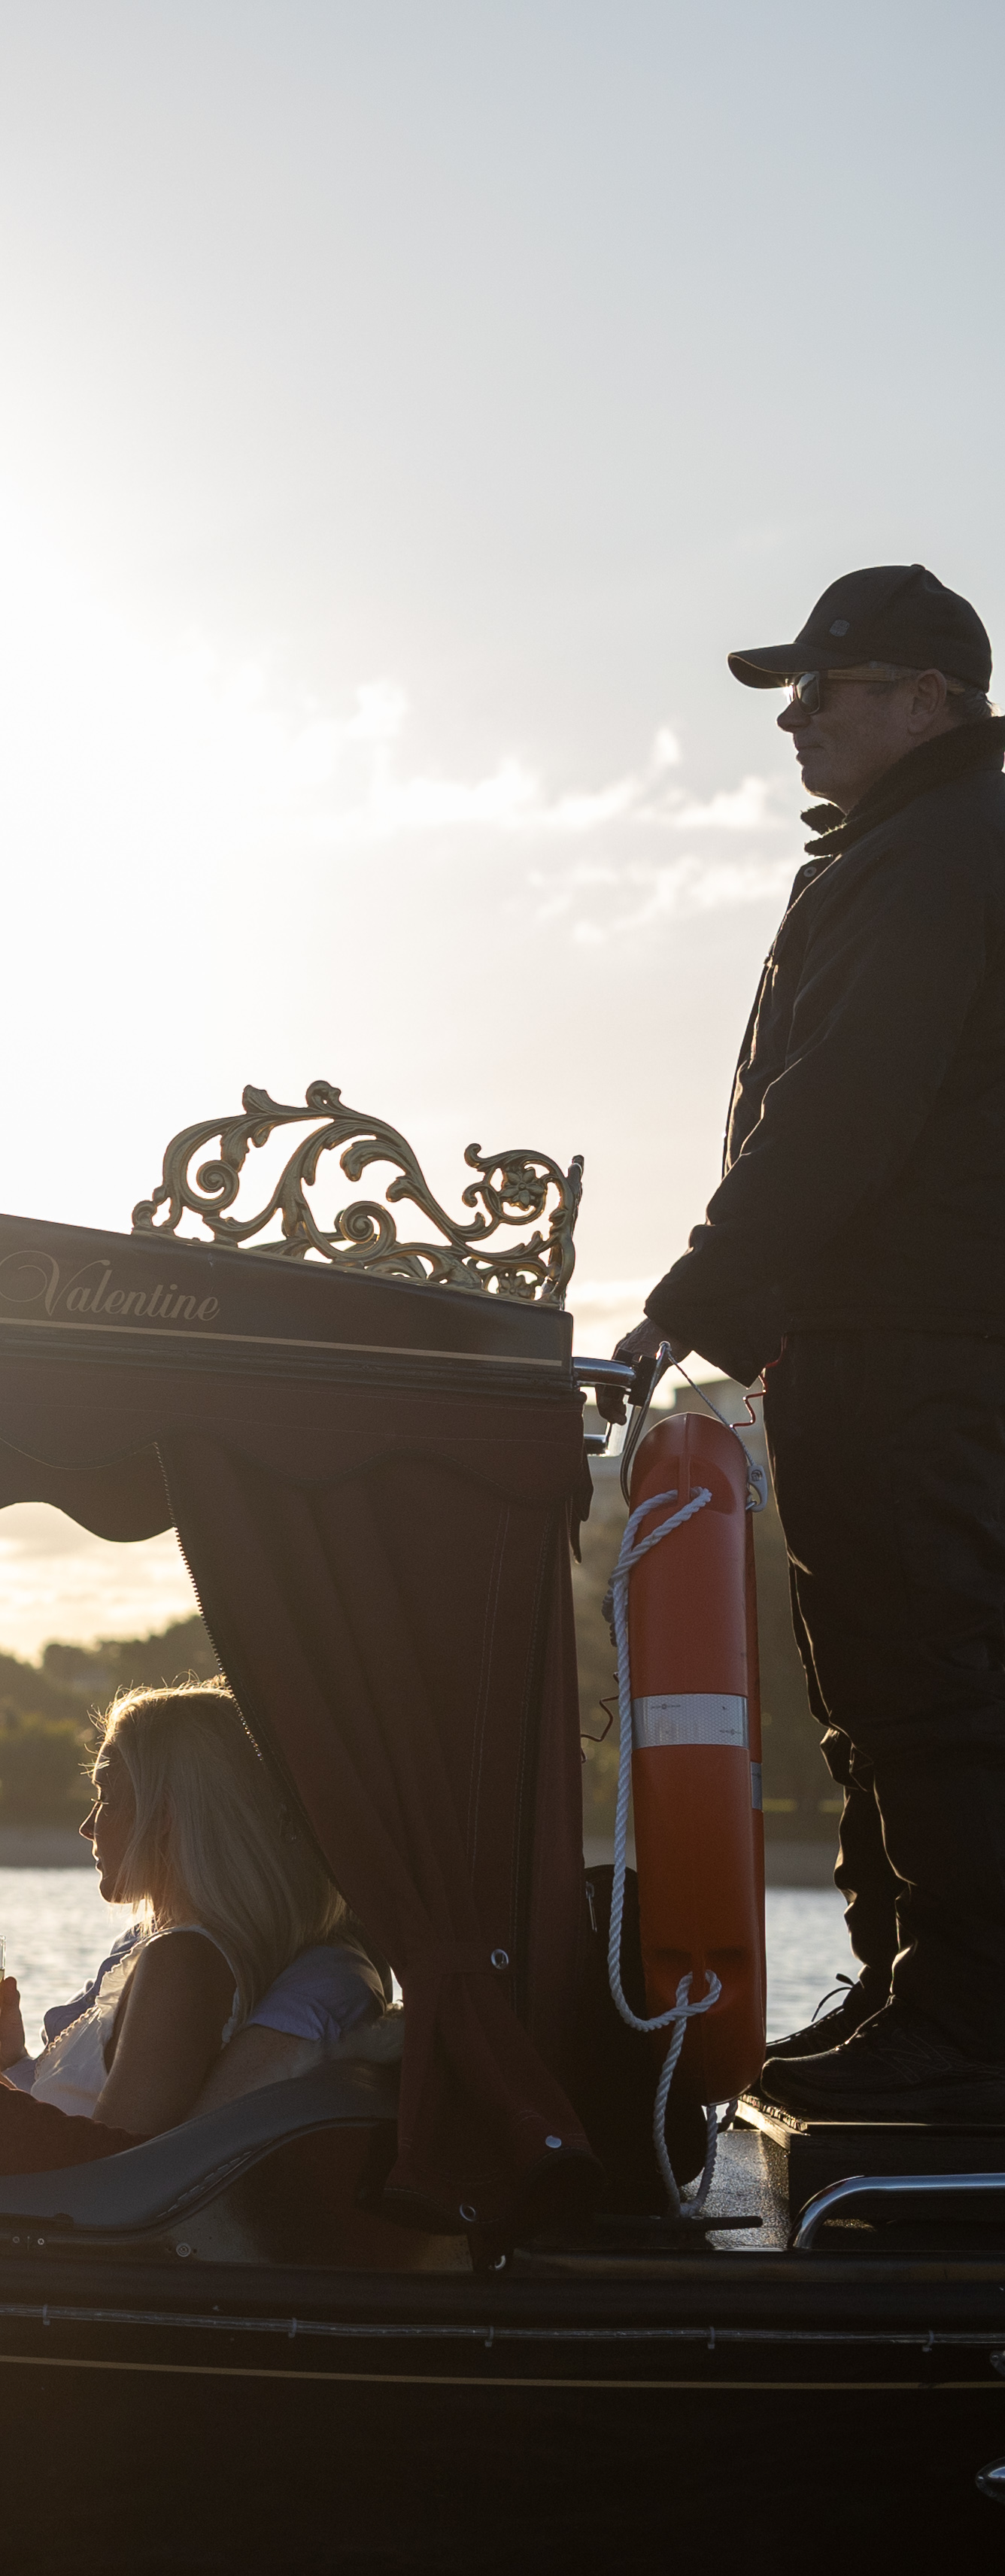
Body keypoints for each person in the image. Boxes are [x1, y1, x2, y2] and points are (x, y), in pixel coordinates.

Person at [618, 565, 1005, 2125]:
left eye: (826, 687)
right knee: (890, 1687)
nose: (795, 716)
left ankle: (971, 2030)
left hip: (915, 1344)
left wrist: (698, 1299)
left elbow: (843, 1107)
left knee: (930, 1682)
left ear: (931, 698)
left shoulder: (938, 855)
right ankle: (919, 1991)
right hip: (885, 1336)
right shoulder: (920, 846)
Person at [0, 1682, 383, 2141]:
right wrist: (9, 2060)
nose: (88, 1826)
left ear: (166, 1816)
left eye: (105, 1797)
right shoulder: (178, 1949)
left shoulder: (184, 1961)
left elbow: (104, 2171)